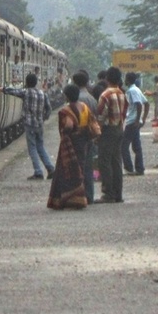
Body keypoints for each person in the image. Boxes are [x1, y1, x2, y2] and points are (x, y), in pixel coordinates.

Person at [0, 72, 54, 180]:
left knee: (32, 148)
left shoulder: (26, 92)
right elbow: (49, 109)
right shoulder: (43, 94)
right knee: (40, 147)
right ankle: (50, 168)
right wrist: (43, 118)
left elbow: (11, 91)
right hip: (39, 125)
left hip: (30, 125)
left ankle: (38, 172)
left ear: (27, 82)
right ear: (35, 83)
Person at [47, 83, 88, 210]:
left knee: (68, 171)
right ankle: (80, 199)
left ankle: (68, 200)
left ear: (67, 96)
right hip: (83, 141)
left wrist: (65, 132)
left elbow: (69, 125)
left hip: (70, 143)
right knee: (80, 168)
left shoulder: (66, 110)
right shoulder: (84, 107)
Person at [95, 66, 127, 203]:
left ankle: (108, 193)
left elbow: (101, 116)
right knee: (116, 161)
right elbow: (124, 112)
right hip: (119, 128)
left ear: (107, 78)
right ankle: (118, 193)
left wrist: (97, 133)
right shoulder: (121, 93)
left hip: (108, 130)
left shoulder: (105, 95)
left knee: (105, 161)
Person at [72, 69, 98, 204]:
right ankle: (89, 195)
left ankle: (80, 195)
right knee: (88, 167)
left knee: (79, 167)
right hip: (90, 137)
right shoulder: (91, 98)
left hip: (80, 136)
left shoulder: (79, 99)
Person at [121, 71, 149, 175]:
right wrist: (144, 118)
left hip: (132, 121)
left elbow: (139, 104)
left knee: (123, 146)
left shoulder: (132, 91)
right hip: (135, 121)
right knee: (136, 146)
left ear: (127, 80)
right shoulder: (137, 89)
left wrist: (138, 119)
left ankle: (129, 168)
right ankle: (139, 168)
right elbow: (146, 103)